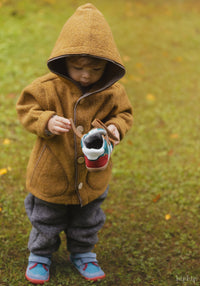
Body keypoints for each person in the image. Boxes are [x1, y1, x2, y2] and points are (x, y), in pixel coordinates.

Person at [16, 3, 133, 284]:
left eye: (95, 68)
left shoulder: (113, 92)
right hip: (51, 174)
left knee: (88, 218)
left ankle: (83, 252)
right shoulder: (45, 87)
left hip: (93, 174)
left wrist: (116, 128)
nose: (85, 75)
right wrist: (45, 121)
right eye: (78, 67)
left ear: (108, 65)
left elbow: (124, 114)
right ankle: (40, 255)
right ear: (63, 59)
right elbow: (25, 110)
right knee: (46, 217)